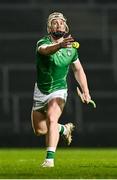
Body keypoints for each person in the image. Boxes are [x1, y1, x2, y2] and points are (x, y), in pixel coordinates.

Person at [31, 12, 91, 168]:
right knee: (39, 130)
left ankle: (49, 160)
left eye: (61, 23)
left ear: (66, 26)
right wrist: (59, 45)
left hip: (59, 90)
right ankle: (63, 129)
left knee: (52, 119)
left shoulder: (71, 49)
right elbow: (45, 50)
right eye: (55, 23)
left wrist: (86, 91)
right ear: (49, 28)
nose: (58, 25)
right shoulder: (42, 42)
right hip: (41, 90)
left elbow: (78, 70)